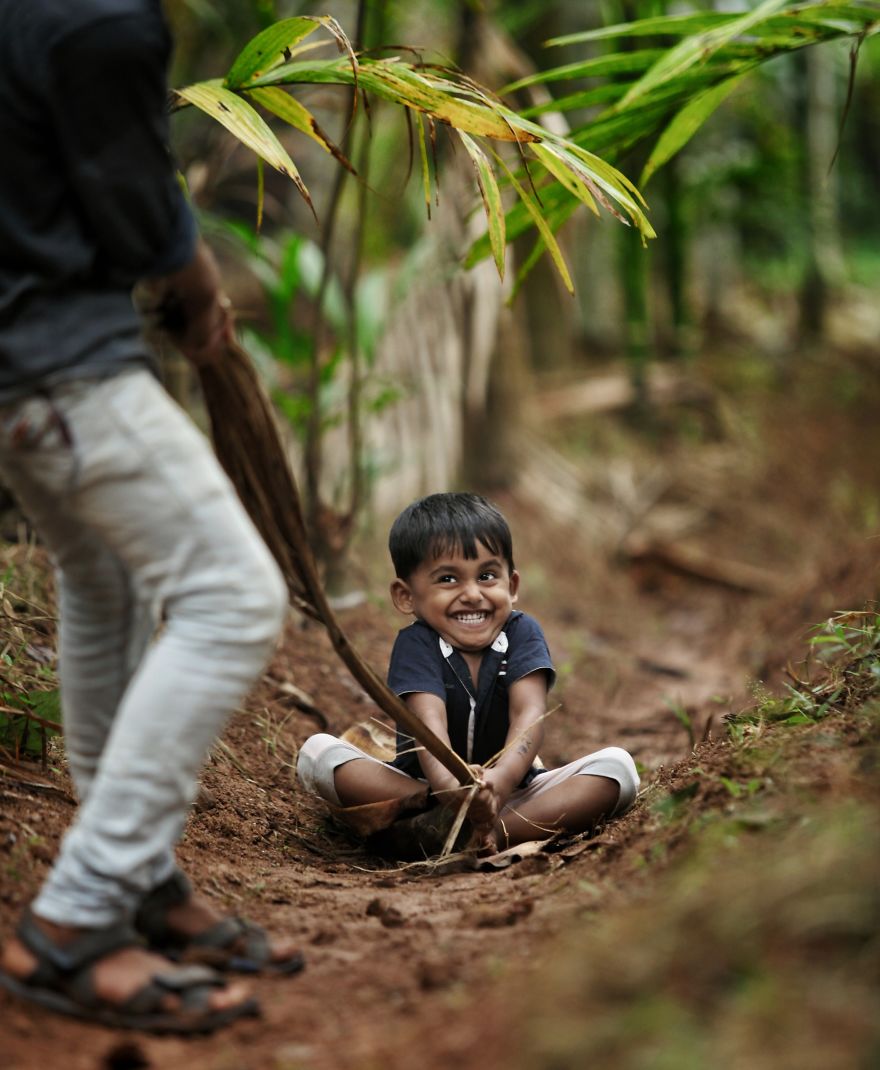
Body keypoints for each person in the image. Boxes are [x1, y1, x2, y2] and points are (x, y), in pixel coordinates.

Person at [0, 0, 302, 1034]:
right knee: (235, 596)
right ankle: (78, 911)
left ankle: (135, 883)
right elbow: (133, 207)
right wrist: (196, 277)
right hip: (61, 370)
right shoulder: (98, 16)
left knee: (106, 579)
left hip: (24, 368)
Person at [297, 493, 640, 854]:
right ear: (406, 596)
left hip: (512, 794)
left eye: (487, 576)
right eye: (448, 579)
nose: (473, 594)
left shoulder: (522, 633)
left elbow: (529, 712)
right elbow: (429, 722)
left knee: (618, 769)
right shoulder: (416, 644)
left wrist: (500, 783)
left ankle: (487, 834)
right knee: (317, 754)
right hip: (424, 791)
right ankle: (456, 823)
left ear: (512, 586)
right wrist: (451, 790)